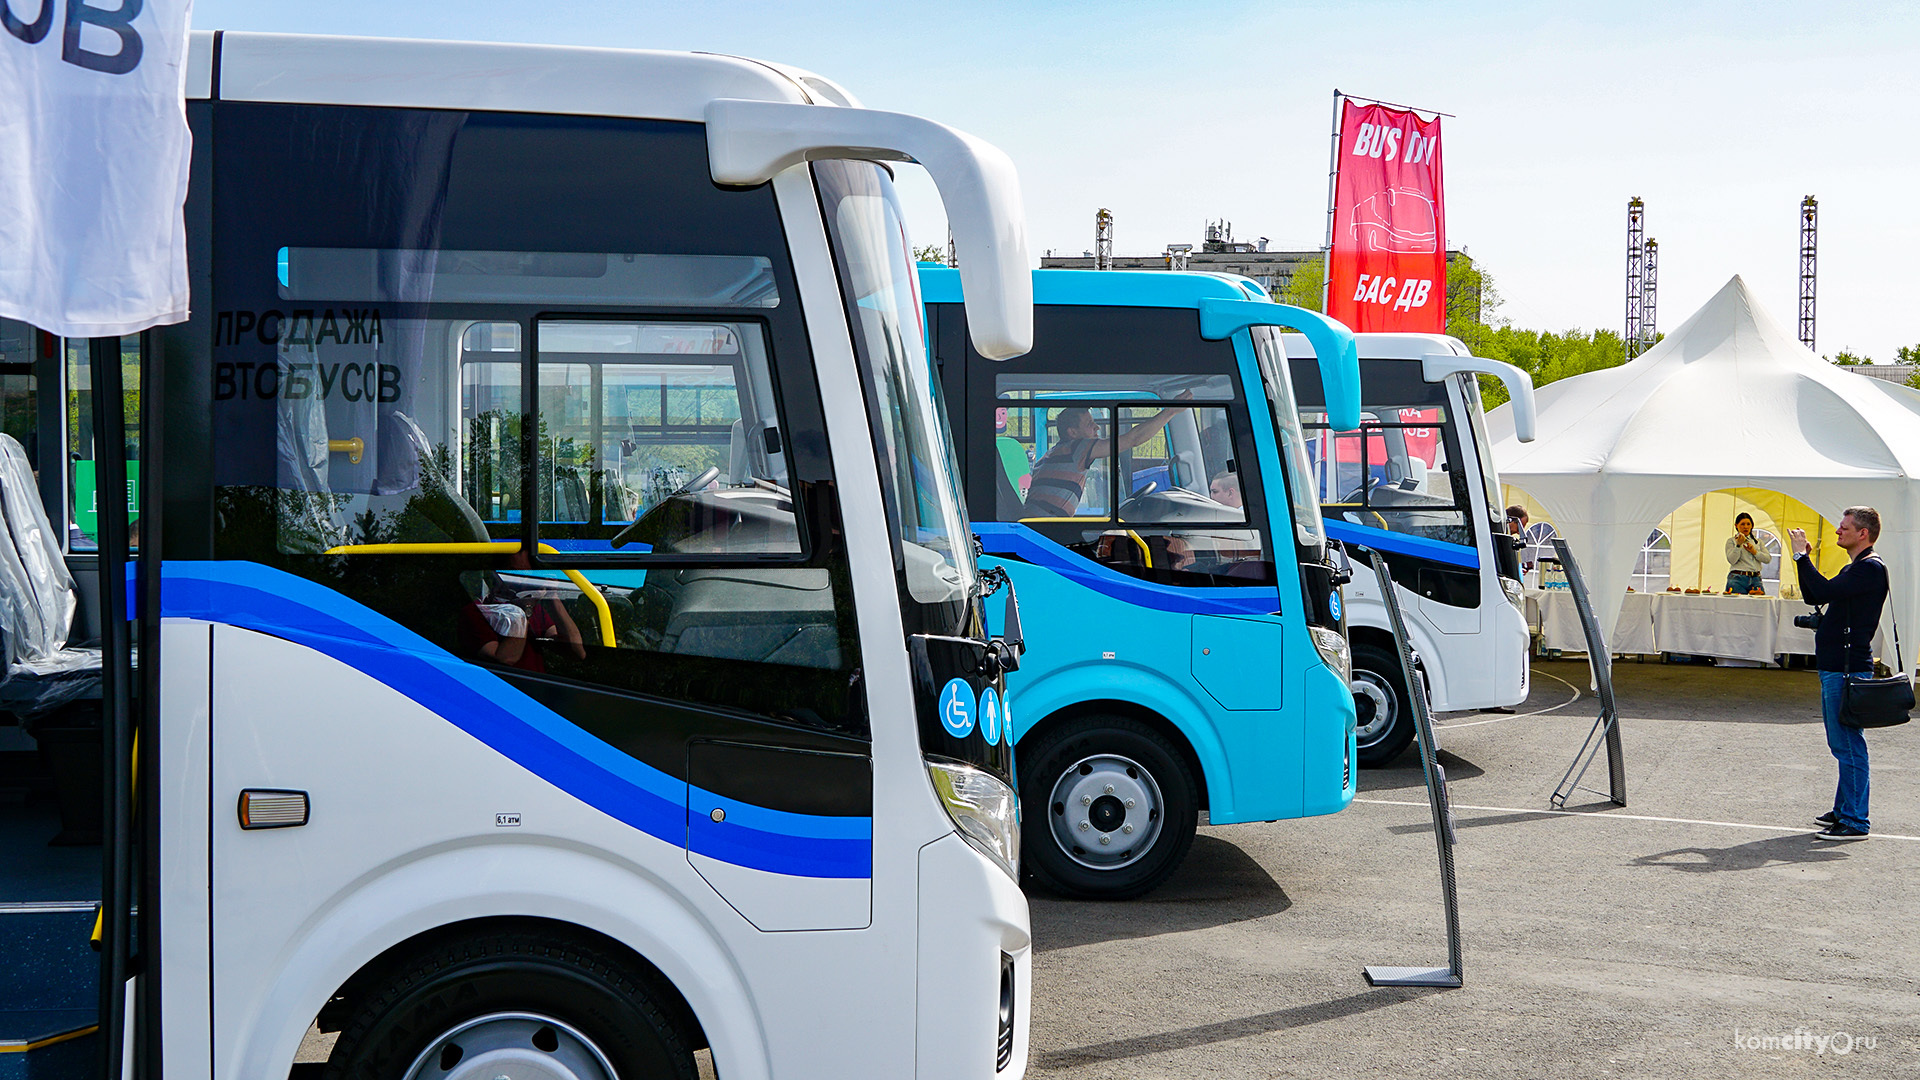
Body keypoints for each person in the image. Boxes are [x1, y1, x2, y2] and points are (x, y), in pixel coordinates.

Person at [1790, 507, 1889, 841]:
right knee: (1842, 742)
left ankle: (1856, 820)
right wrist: (1802, 560)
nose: (1837, 532)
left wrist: (1801, 557)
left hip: (1846, 670)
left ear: (1863, 533)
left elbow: (1820, 592)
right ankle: (1845, 808)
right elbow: (1813, 594)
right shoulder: (1857, 568)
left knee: (1847, 743)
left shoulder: (1869, 569)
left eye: (1844, 527)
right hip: (1838, 667)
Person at [1025, 396, 1190, 517]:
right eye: (1090, 424)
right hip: (1046, 529)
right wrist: (1170, 411)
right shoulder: (1077, 447)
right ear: (1072, 432)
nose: (1097, 427)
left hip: (1039, 525)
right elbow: (1133, 439)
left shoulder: (1054, 453)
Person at [459, 551, 589, 674]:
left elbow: (576, 652)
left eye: (527, 574)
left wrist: (552, 595)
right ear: (496, 574)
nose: (522, 581)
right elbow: (506, 658)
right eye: (515, 572)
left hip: (535, 691)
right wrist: (525, 610)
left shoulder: (535, 610)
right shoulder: (476, 611)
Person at [1726, 512, 1767, 594]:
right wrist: (1738, 545)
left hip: (1756, 578)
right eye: (1742, 524)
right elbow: (1732, 560)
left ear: (1752, 526)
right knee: (1737, 605)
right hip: (1737, 578)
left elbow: (1767, 559)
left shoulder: (1757, 542)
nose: (1746, 527)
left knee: (1760, 605)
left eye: (1748, 524)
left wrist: (1754, 552)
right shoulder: (1731, 541)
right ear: (1736, 525)